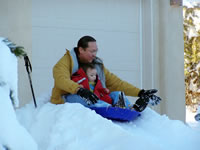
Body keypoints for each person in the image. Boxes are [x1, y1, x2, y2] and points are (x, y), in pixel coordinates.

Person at [50, 35, 161, 112]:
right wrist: (79, 90)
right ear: (81, 50)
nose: (95, 54)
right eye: (92, 51)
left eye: (96, 51)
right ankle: (113, 109)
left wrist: (140, 92)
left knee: (117, 94)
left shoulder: (96, 65)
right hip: (71, 98)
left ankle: (130, 109)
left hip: (95, 96)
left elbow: (116, 83)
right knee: (83, 99)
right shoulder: (65, 62)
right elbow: (61, 79)